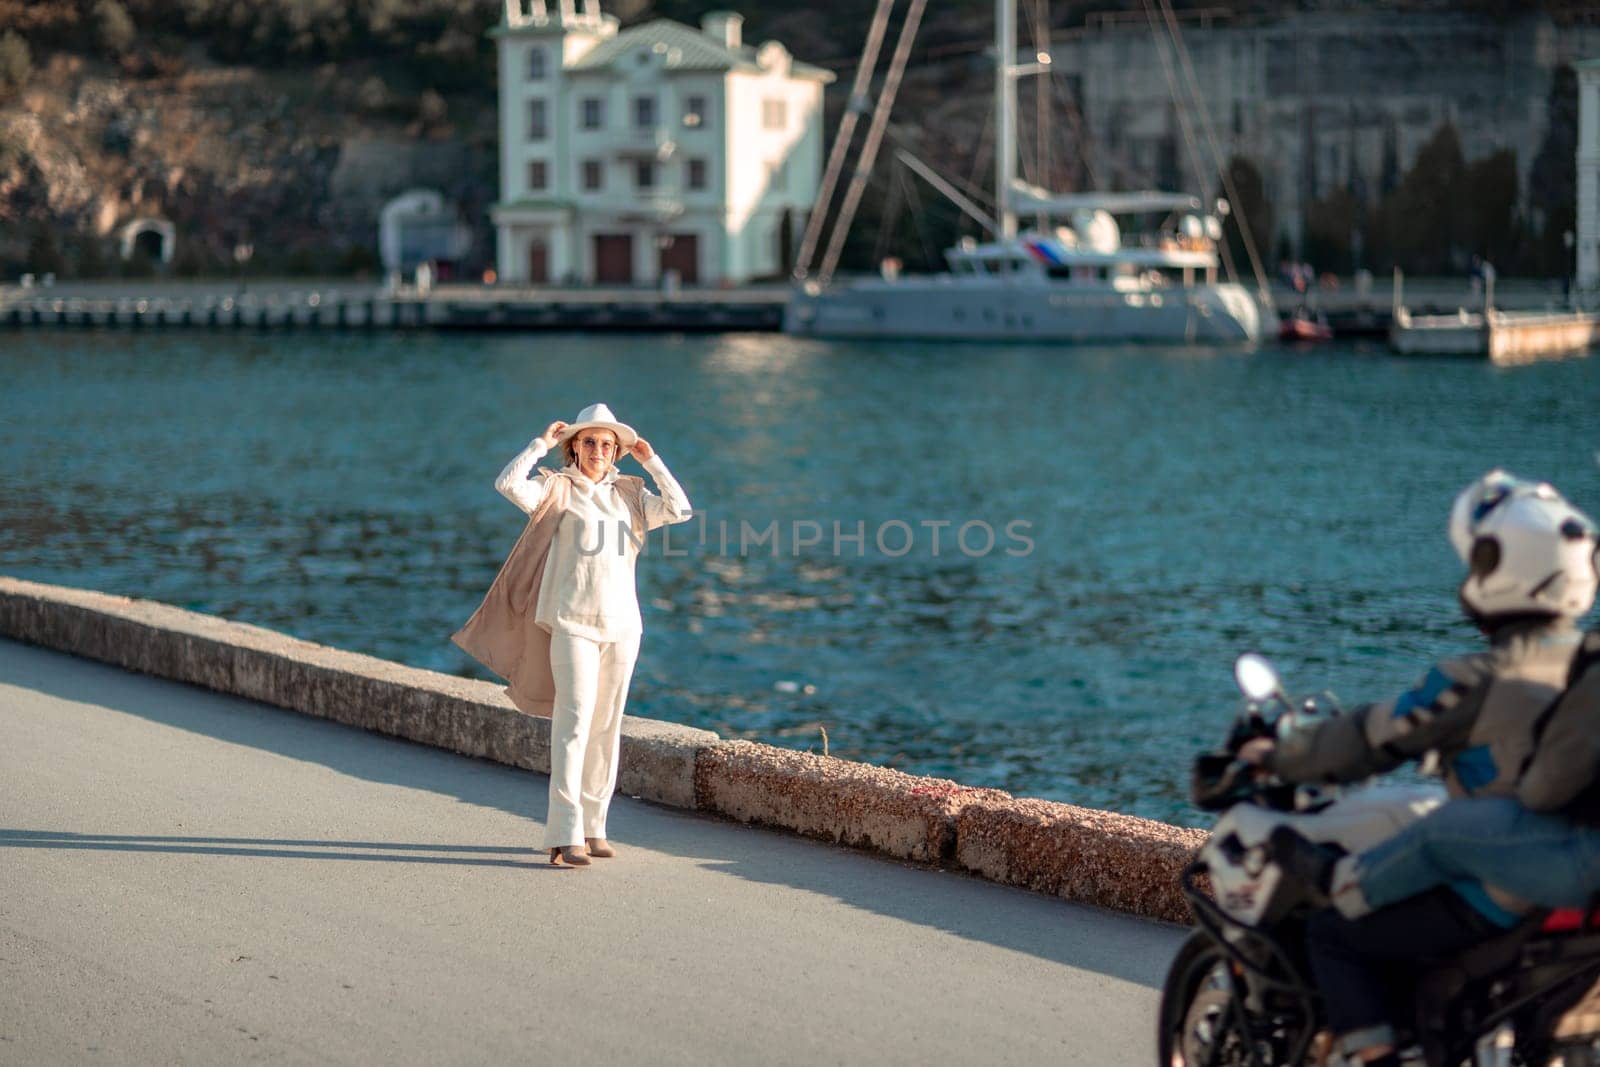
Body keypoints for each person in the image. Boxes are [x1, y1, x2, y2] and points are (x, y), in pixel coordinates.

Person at [1240, 470, 1599, 1067]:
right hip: (1573, 881)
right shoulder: (1585, 668)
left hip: (1504, 886)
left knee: (1332, 934)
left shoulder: (1478, 680)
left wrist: (1279, 753)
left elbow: (1367, 738)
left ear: (1499, 568)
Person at [453, 403, 692, 867]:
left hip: (623, 626)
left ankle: (594, 826)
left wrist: (651, 459)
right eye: (589, 442)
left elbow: (680, 509)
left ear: (617, 452)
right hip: (570, 623)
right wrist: (539, 444)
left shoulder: (631, 494)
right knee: (574, 723)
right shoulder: (556, 488)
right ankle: (564, 833)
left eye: (607, 444)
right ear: (574, 448)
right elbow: (507, 484)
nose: (598, 450)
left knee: (606, 727)